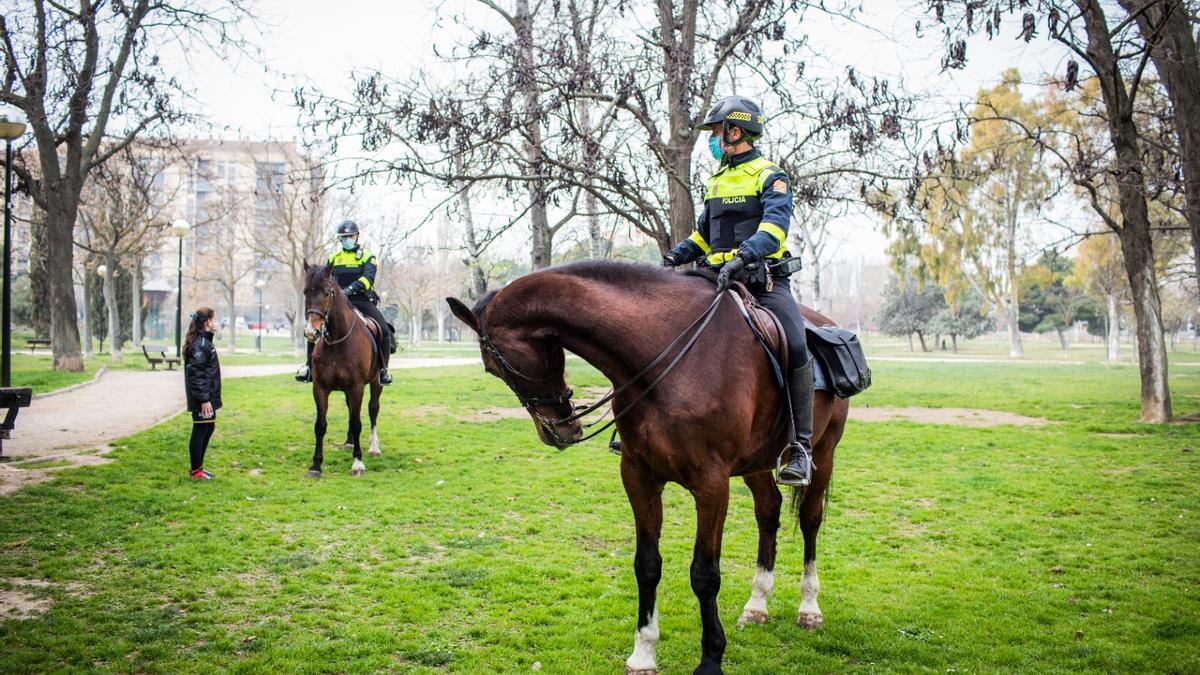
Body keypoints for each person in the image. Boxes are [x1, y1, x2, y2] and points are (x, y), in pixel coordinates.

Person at [661, 95, 814, 487]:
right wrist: (672, 258)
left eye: (715, 132)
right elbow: (703, 235)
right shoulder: (716, 180)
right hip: (715, 279)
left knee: (796, 345)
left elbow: (774, 230)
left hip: (764, 281)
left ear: (734, 131)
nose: (712, 140)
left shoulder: (770, 176)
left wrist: (744, 256)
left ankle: (800, 447)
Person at [295, 219, 395, 385]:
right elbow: (325, 280)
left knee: (384, 330)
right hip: (336, 303)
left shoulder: (368, 256)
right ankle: (308, 368)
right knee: (314, 328)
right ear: (340, 239)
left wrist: (346, 291)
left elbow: (367, 280)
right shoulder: (334, 257)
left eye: (350, 236)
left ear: (357, 236)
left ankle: (383, 371)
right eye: (344, 237)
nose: (347, 239)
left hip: (361, 300)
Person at [183, 307, 221, 480]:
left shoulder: (205, 342)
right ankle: (195, 471)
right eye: (214, 319)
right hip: (202, 399)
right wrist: (204, 400)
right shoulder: (200, 344)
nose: (216, 322)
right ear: (208, 322)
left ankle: (199, 468)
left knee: (208, 426)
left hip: (207, 396)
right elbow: (196, 375)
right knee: (200, 429)